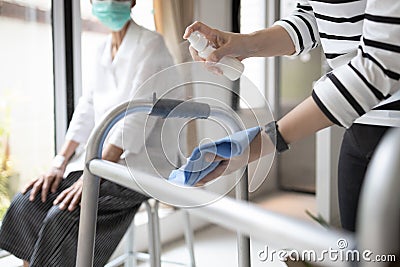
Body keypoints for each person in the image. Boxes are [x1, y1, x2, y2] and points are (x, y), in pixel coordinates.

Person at [184, 0, 400, 232]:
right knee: (361, 253)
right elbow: (313, 18)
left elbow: (380, 65)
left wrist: (263, 142)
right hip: (360, 126)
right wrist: (246, 43)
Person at [0, 0, 178, 266]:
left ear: (131, 2)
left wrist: (91, 176)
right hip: (97, 160)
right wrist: (58, 163)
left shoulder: (152, 45)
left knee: (65, 215)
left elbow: (135, 120)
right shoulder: (102, 50)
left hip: (140, 165)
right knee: (29, 201)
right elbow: (87, 108)